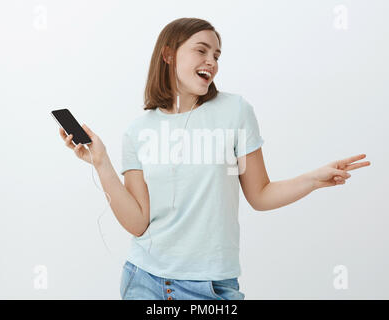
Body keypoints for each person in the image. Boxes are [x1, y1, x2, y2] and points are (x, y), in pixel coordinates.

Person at [59, 18, 371, 300]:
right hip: (144, 282)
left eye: (217, 55)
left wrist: (314, 179)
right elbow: (138, 223)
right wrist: (101, 163)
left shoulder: (235, 112)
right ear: (168, 55)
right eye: (202, 51)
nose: (212, 61)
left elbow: (260, 194)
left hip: (211, 286)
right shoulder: (138, 131)